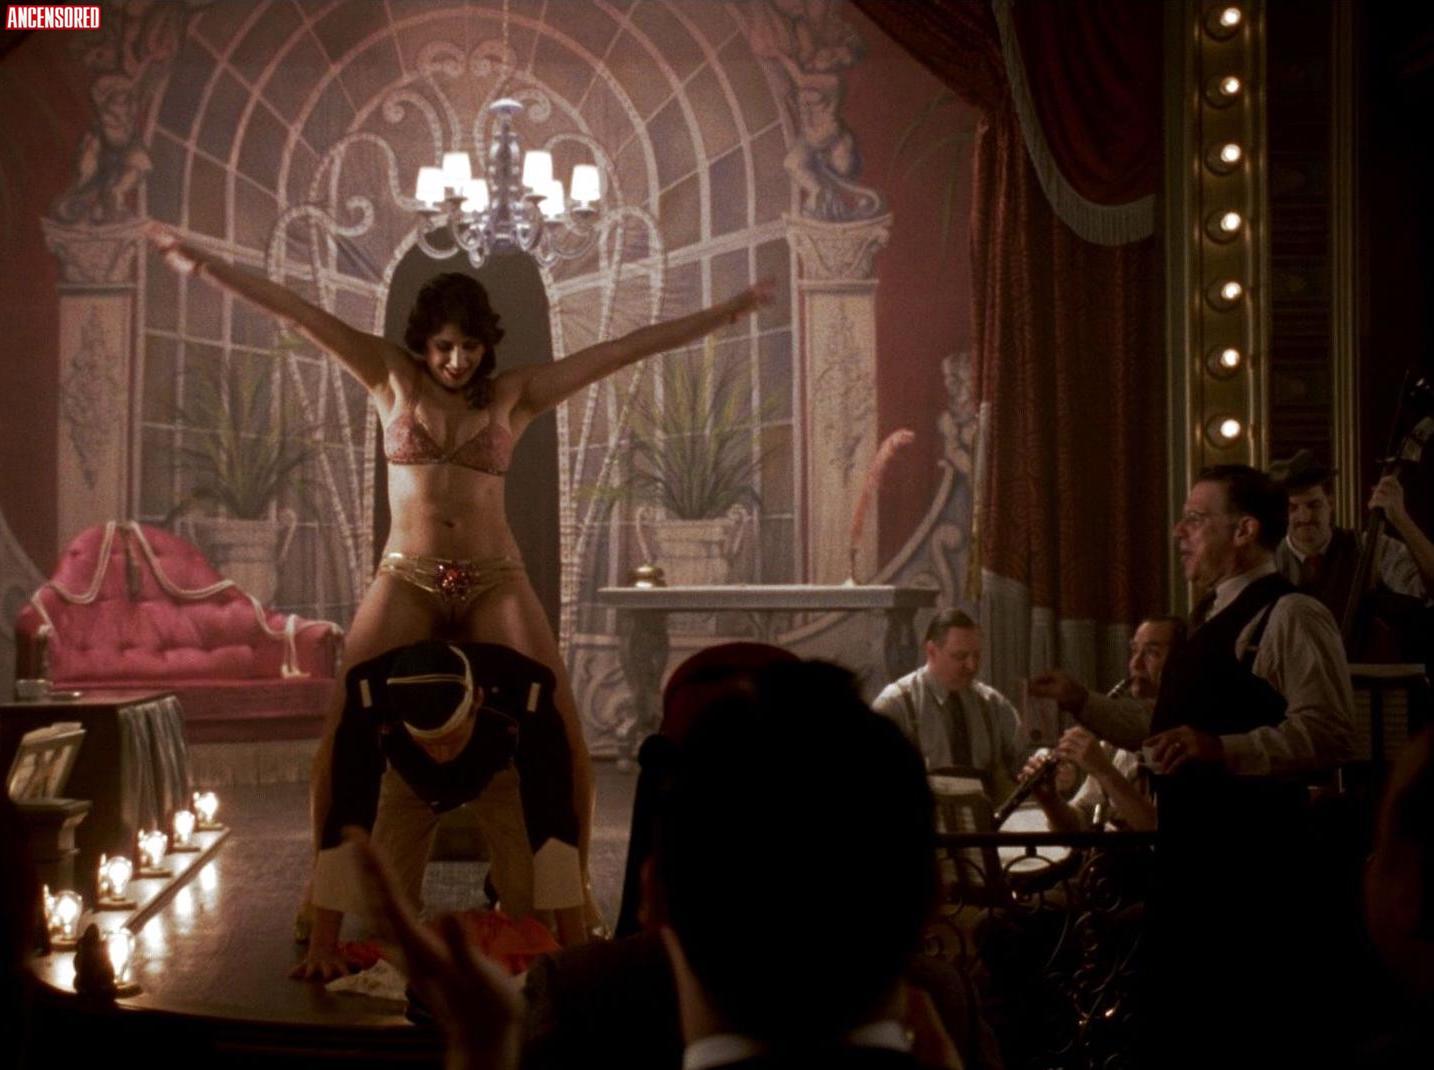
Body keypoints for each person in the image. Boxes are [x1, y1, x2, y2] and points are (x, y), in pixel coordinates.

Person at [149, 225, 772, 979]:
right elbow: (300, 314)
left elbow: (621, 351)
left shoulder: (514, 395)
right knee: (346, 722)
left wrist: (725, 313)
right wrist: (206, 264)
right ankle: (321, 902)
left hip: (493, 575)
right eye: (444, 347)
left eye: (470, 347)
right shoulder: (390, 377)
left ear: (486, 345)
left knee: (560, 722)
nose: (456, 361)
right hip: (407, 575)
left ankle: (571, 898)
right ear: (423, 342)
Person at [353, 661, 962, 1070]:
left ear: (653, 895)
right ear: (933, 895)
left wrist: (482, 1050)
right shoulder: (953, 1008)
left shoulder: (579, 998)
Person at [1031, 464, 1355, 1065]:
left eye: (1196, 519)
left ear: (1245, 531)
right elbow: (1164, 729)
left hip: (1252, 882)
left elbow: (1331, 732)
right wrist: (1083, 701)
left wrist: (1222, 748)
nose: (1180, 532)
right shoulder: (1209, 617)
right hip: (1192, 875)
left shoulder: (1290, 614)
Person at [1019, 615, 1181, 833]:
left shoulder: (1184, 739)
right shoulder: (1113, 742)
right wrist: (1050, 800)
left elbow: (1163, 832)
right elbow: (1077, 826)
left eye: (1152, 653)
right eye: (1134, 651)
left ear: (1182, 664)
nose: (1135, 664)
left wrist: (1104, 771)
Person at [1269, 449, 1434, 656]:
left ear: (1330, 503)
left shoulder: (1368, 547)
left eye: (1314, 505)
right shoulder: (1267, 558)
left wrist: (1400, 518)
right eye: (1292, 508)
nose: (1305, 516)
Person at [872, 608, 1026, 799]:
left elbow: (1023, 758)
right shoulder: (895, 705)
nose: (972, 666)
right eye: (960, 656)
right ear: (931, 651)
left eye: (976, 656)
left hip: (986, 815)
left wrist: (1043, 761)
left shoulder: (992, 704)